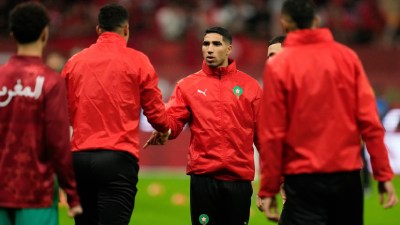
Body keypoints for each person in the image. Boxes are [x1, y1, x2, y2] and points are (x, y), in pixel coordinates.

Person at [256, 0, 398, 224]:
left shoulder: (279, 66)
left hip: (303, 178)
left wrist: (269, 187)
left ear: (284, 23)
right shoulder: (346, 57)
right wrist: (382, 174)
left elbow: (273, 133)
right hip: (346, 177)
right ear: (316, 21)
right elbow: (370, 121)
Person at [61, 3, 170, 225]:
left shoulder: (74, 62)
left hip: (80, 157)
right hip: (117, 158)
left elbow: (64, 111)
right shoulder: (138, 61)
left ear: (98, 30)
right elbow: (156, 113)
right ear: (126, 29)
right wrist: (163, 129)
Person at [145, 27, 264, 225]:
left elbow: (263, 136)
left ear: (228, 49)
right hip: (204, 178)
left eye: (216, 44)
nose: (209, 48)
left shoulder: (250, 86)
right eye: (206, 43)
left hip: (239, 179)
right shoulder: (188, 85)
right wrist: (164, 129)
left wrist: (268, 184)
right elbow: (174, 121)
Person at [0, 2, 82, 225]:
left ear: (12, 33)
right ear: (45, 33)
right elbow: (58, 143)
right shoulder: (50, 82)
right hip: (36, 193)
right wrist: (72, 194)